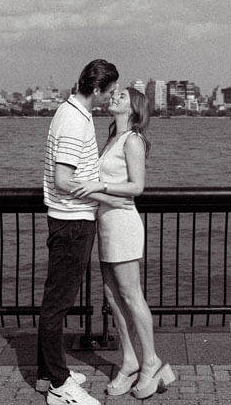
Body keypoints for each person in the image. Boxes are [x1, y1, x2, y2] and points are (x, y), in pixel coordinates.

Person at [69, 86, 175, 399]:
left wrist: (96, 186)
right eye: (115, 94)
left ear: (134, 108)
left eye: (122, 96)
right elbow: (108, 188)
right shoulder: (114, 138)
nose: (115, 96)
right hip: (106, 223)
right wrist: (93, 191)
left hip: (123, 224)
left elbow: (136, 186)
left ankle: (151, 361)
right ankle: (129, 361)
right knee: (112, 297)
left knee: (131, 294)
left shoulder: (133, 140)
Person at [37, 58, 132, 405]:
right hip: (72, 221)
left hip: (70, 219)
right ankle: (58, 386)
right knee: (58, 303)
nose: (112, 96)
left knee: (56, 300)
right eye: (110, 90)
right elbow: (63, 179)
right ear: (96, 88)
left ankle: (47, 373)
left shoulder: (73, 112)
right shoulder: (74, 121)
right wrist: (105, 194)